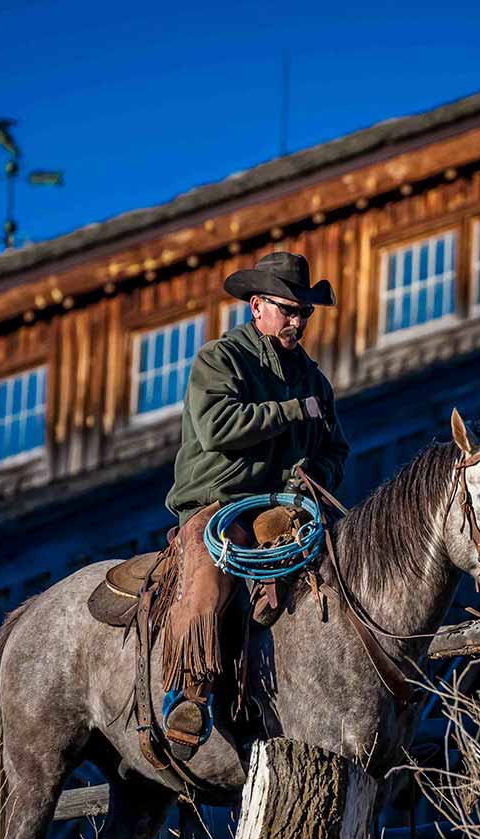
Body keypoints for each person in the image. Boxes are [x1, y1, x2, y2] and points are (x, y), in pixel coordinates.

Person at [157, 250, 349, 756]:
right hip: (218, 500)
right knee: (211, 563)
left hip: (286, 505)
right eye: (288, 309)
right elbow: (218, 428)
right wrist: (292, 411)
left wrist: (316, 476)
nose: (297, 320)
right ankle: (189, 693)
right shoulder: (219, 359)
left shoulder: (313, 379)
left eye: (304, 312)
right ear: (256, 306)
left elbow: (335, 448)